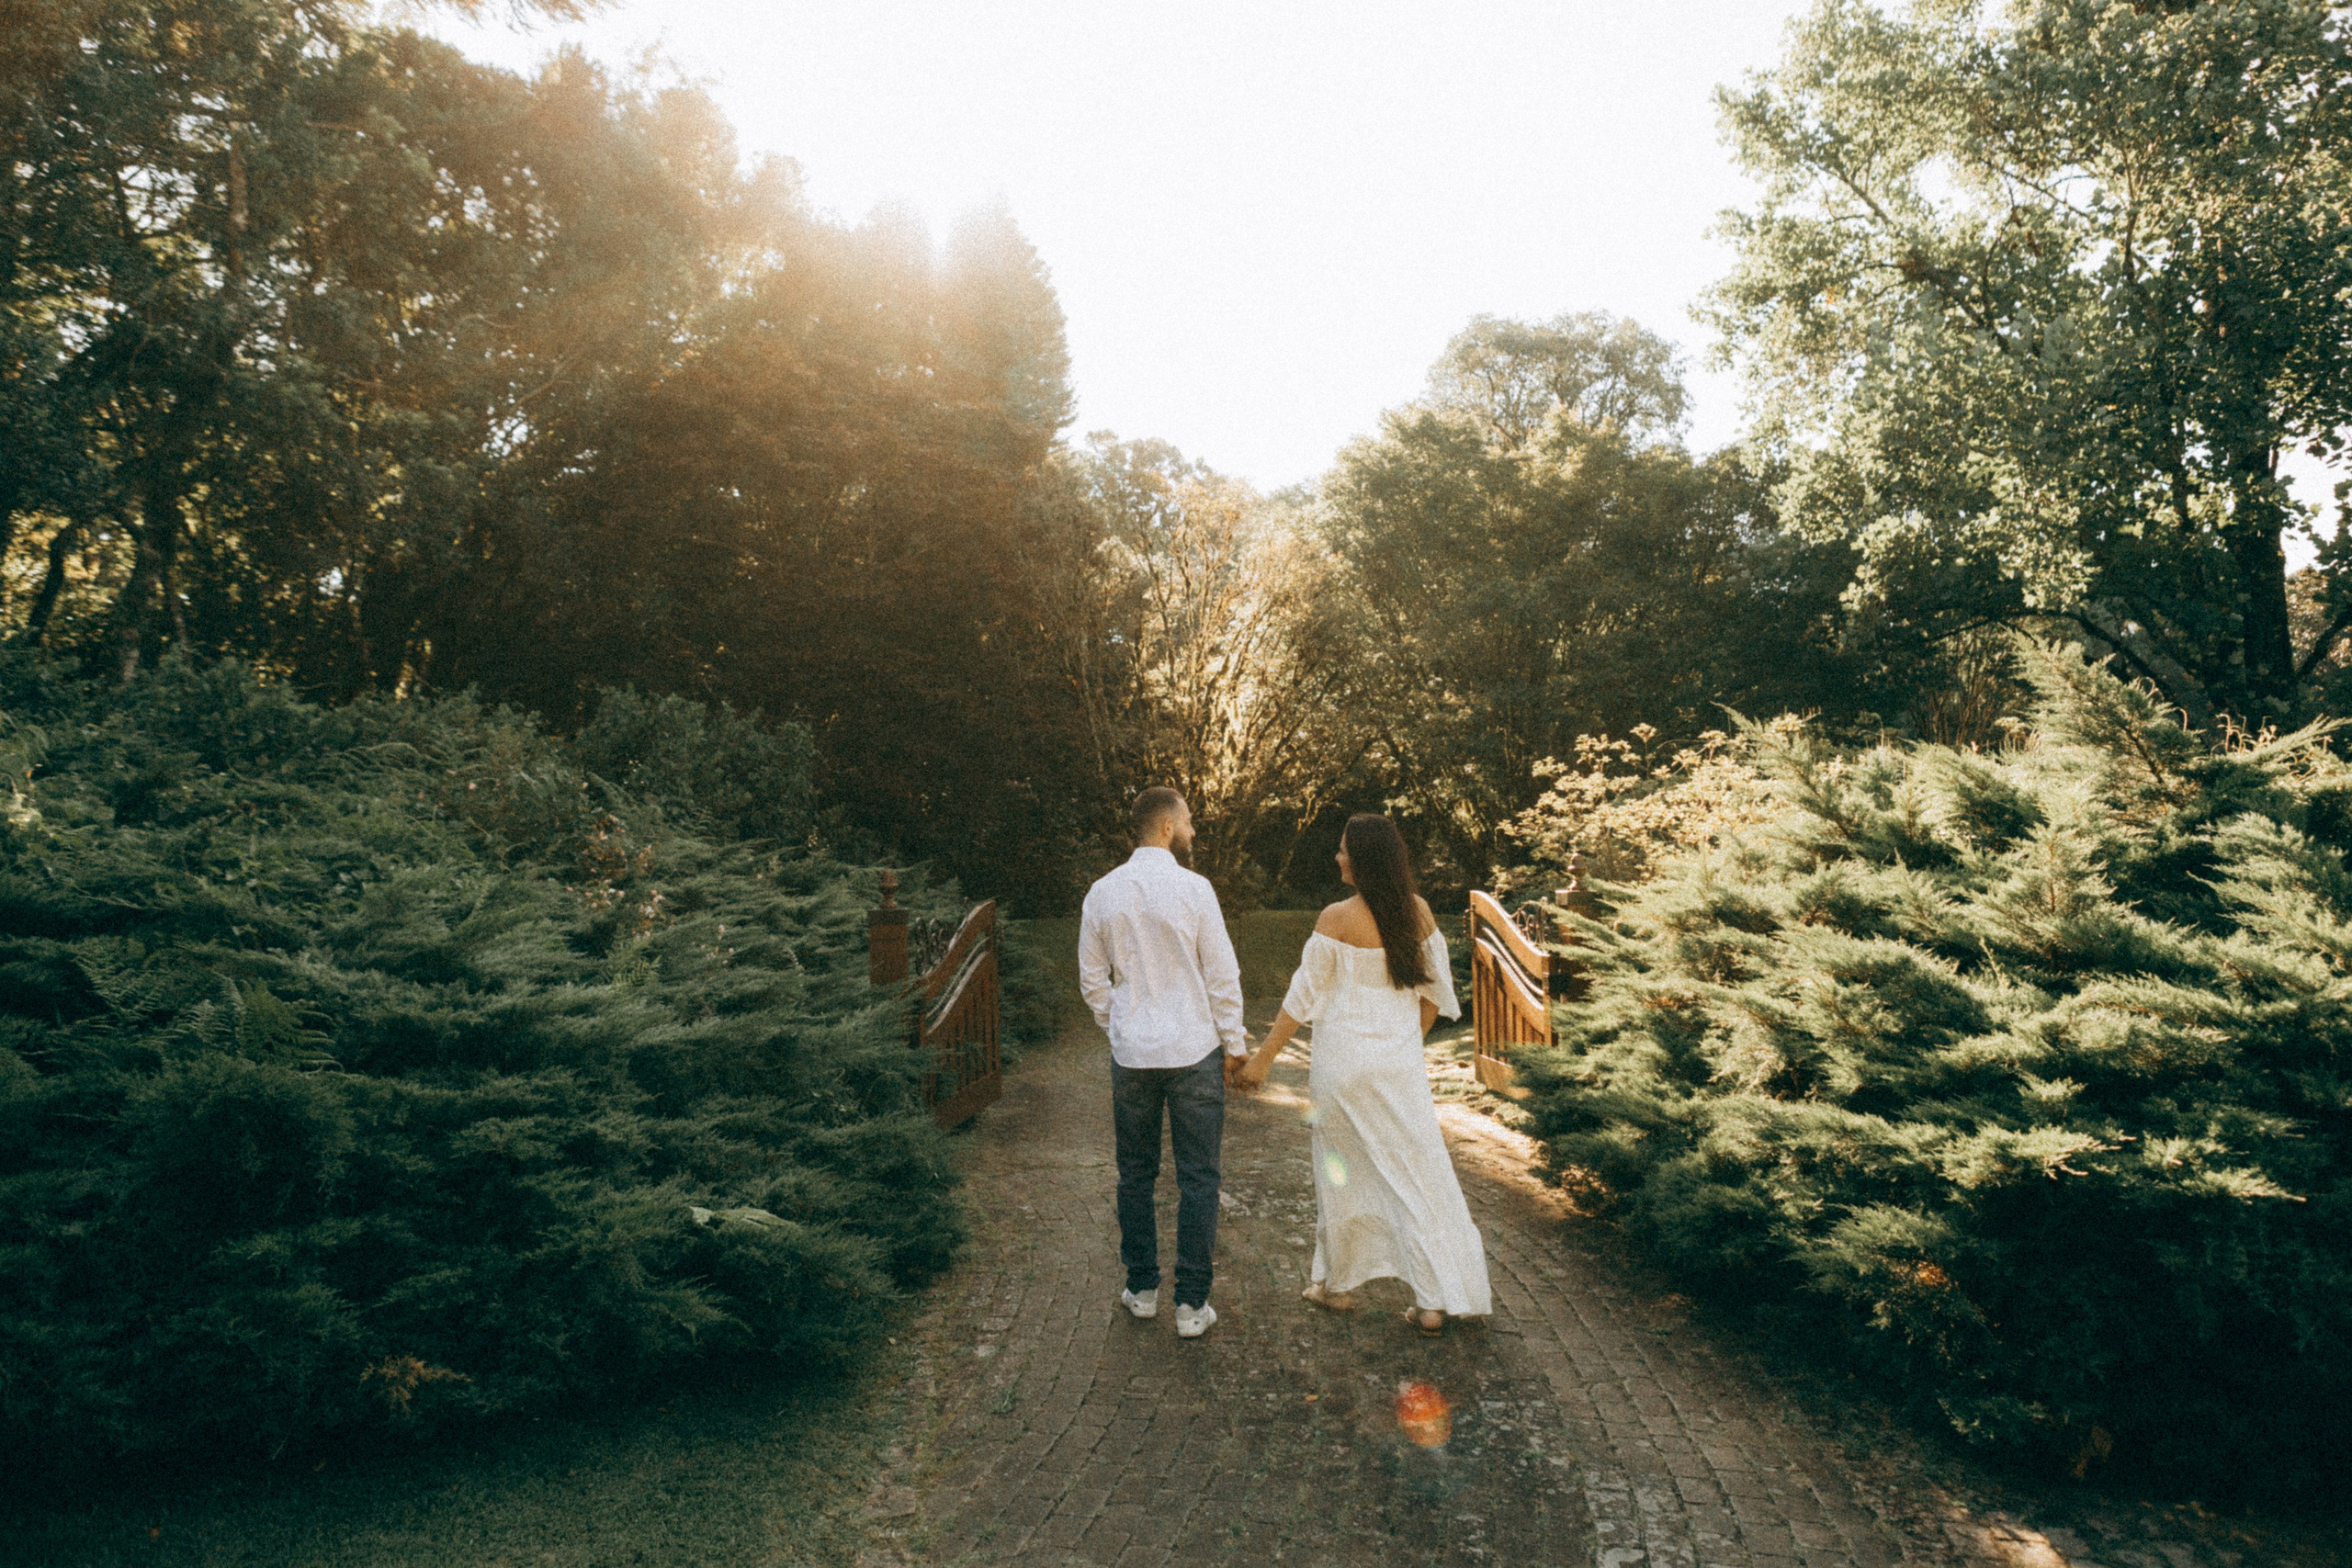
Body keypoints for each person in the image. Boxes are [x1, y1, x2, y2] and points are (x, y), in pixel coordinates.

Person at [1233, 813, 1490, 1335]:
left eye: (1344, 849)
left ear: (1365, 858)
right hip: (1397, 1068)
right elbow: (1435, 996)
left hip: (1340, 1068)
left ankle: (1337, 1287)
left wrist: (1262, 1061)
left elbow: (1300, 1000)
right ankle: (1434, 1302)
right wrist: (1404, 1048)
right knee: (1418, 1176)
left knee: (1341, 1174)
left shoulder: (1336, 918)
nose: (1337, 857)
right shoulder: (1416, 913)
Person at [1078, 787, 1249, 1339]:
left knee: (1136, 1173)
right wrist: (1235, 1043)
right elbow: (1222, 973)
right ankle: (1192, 1306)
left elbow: (1092, 982)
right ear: (1167, 827)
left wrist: (1119, 1026)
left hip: (1133, 1056)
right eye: (1190, 822)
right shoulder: (1195, 890)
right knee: (1199, 1176)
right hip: (1194, 1052)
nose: (1194, 832)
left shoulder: (1102, 893)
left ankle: (1144, 1289)